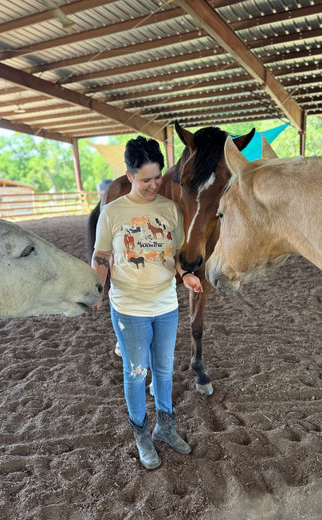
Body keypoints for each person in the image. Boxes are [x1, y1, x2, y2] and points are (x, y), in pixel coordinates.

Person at [91, 135, 203, 470]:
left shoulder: (170, 210)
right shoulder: (112, 212)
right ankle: (141, 435)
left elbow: (178, 255)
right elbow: (101, 256)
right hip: (129, 308)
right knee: (137, 372)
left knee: (165, 371)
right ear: (129, 175)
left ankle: (165, 428)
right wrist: (96, 288)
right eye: (145, 180)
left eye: (157, 177)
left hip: (166, 305)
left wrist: (185, 276)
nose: (154, 185)